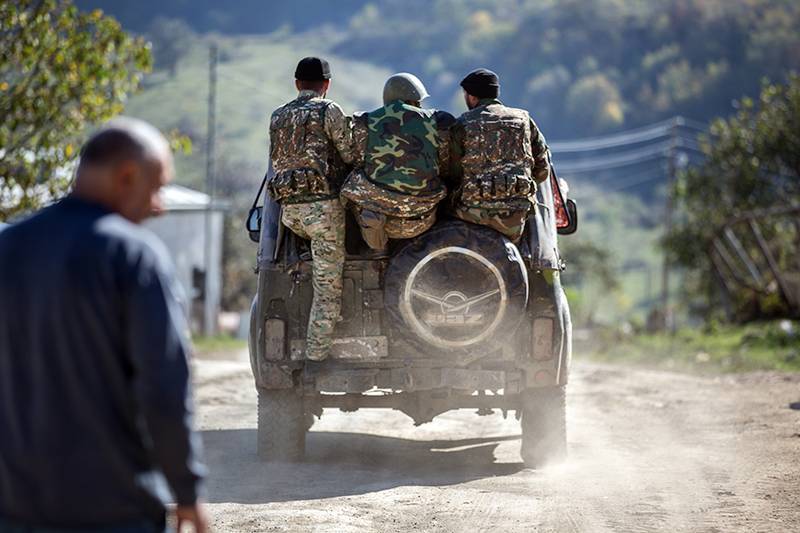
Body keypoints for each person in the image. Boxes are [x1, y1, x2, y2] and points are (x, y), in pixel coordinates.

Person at [0, 118, 207, 533]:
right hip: (114, 511)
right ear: (127, 176)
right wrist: (187, 493)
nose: (159, 205)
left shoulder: (8, 247)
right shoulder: (133, 256)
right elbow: (164, 389)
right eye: (157, 187)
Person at [267, 57, 353, 362]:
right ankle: (316, 356)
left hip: (290, 214)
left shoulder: (278, 117)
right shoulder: (328, 110)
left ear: (297, 84)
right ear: (326, 85)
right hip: (323, 214)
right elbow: (350, 151)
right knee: (328, 287)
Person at [340, 73, 455, 251]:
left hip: (382, 215)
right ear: (414, 98)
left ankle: (375, 244)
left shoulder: (366, 121)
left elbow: (356, 160)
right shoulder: (437, 120)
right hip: (423, 217)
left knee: (351, 182)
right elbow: (445, 164)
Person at [449, 68, 552, 242]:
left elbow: (452, 173)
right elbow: (543, 170)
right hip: (515, 219)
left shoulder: (463, 123)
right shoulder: (524, 120)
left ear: (472, 96)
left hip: (471, 216)